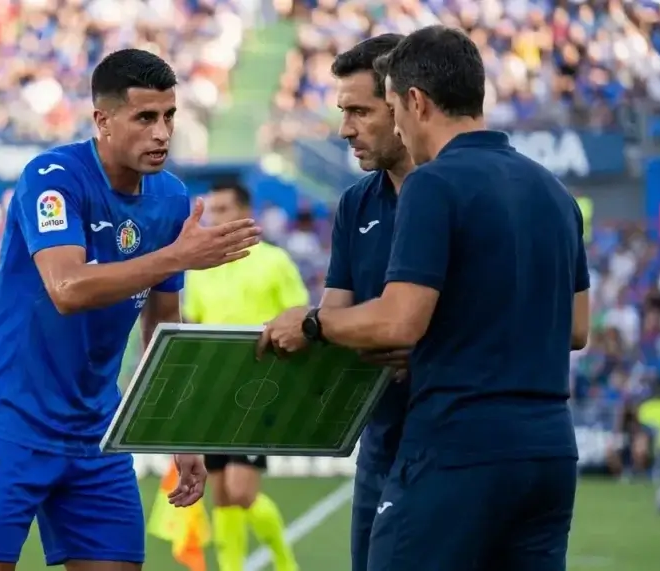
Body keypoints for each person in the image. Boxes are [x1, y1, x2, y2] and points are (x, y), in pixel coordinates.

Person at [263, 26, 590, 570]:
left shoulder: (432, 184)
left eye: (388, 108)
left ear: (415, 102)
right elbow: (576, 328)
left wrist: (313, 324)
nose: (390, 124)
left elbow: (399, 322)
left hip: (455, 441)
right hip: (548, 448)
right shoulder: (553, 190)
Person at [0, 48, 263, 571]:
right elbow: (67, 289)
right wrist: (176, 256)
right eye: (145, 118)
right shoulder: (53, 177)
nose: (162, 133)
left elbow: (164, 328)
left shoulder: (171, 198)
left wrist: (181, 434)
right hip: (10, 419)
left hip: (96, 431)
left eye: (169, 116)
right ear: (103, 120)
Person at [318, 34, 415, 571]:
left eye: (359, 111)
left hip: (451, 433)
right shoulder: (356, 203)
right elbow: (334, 316)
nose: (345, 129)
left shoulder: (460, 193)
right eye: (343, 112)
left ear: (403, 104)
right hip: (380, 439)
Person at [182, 182, 308, 571]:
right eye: (211, 210)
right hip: (214, 392)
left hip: (259, 390)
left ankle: (286, 563)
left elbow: (300, 318)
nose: (215, 218)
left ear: (244, 213)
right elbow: (193, 328)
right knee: (221, 494)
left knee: (241, 490)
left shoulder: (275, 262)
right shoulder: (200, 271)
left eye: (223, 209)